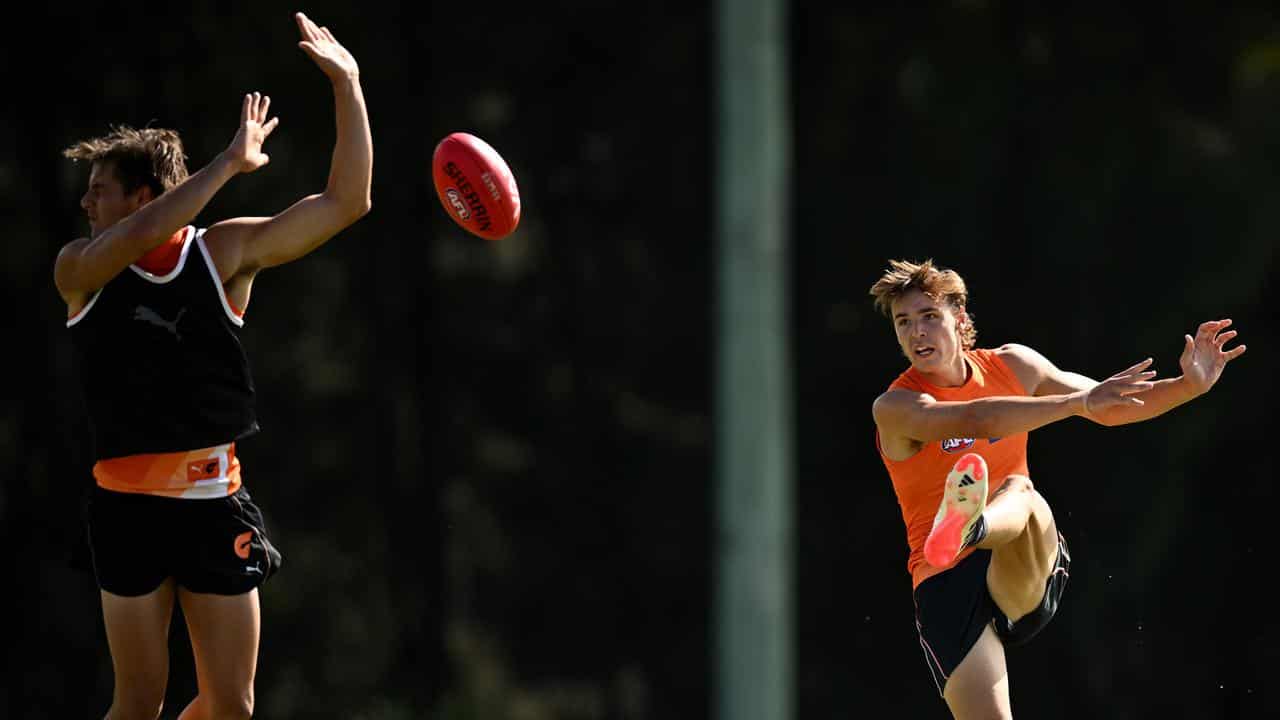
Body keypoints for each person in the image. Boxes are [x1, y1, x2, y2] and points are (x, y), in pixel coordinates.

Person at [55, 12, 371, 720]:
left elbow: (347, 203)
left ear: (143, 192)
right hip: (126, 509)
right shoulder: (80, 269)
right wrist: (228, 163)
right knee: (139, 702)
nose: (84, 202)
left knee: (232, 707)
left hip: (210, 501)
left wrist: (348, 85)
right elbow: (137, 238)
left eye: (98, 189)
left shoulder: (220, 255)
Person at [868, 259, 1245, 719]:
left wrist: (1189, 386)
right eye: (904, 322)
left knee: (1020, 492)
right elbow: (977, 418)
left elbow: (1108, 406)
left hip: (1020, 558)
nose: (917, 332)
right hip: (943, 579)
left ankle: (971, 524)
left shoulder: (1013, 365)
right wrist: (1075, 403)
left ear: (960, 319)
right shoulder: (896, 406)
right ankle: (964, 527)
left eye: (929, 316)